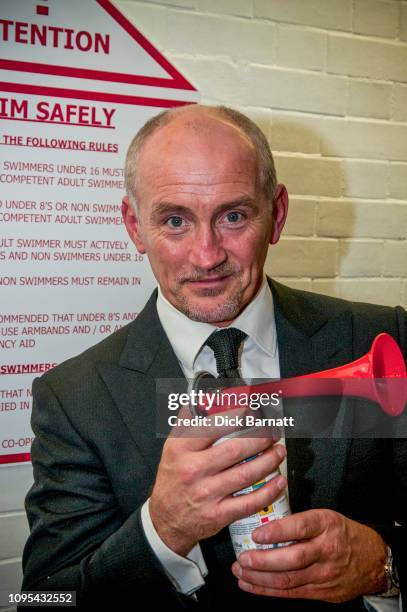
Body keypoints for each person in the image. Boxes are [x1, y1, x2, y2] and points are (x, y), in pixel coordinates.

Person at [22, 104, 406, 611]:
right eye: (175, 220)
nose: (207, 256)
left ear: (278, 214)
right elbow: (42, 600)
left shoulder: (380, 337)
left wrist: (385, 566)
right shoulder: (73, 398)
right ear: (134, 226)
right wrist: (161, 531)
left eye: (233, 216)